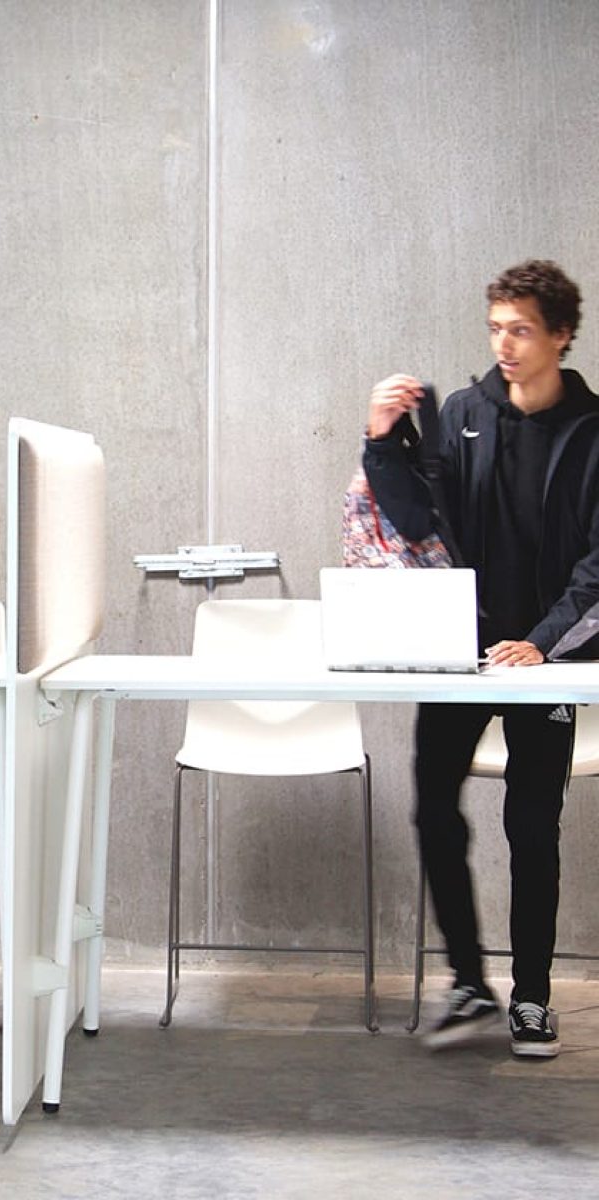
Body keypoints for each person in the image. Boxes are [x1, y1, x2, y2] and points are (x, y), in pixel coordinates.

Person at [364, 260, 599, 1058]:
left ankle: (532, 997)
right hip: (462, 656)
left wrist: (545, 644)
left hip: (550, 662)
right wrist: (382, 442)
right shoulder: (463, 413)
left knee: (533, 826)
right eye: (496, 326)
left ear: (562, 336)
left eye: (522, 329)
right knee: (434, 807)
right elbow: (416, 518)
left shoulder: (594, 431)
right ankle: (468, 980)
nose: (504, 342)